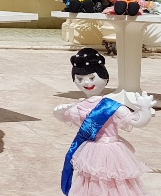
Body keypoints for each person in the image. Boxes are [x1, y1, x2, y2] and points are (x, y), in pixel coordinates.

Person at [54, 48, 156, 196]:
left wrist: (145, 109)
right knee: (91, 180)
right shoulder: (80, 106)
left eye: (91, 77)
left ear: (104, 78)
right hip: (92, 149)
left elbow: (137, 122)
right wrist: (58, 112)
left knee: (116, 180)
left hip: (111, 150)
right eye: (80, 79)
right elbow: (65, 117)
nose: (86, 82)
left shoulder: (111, 106)